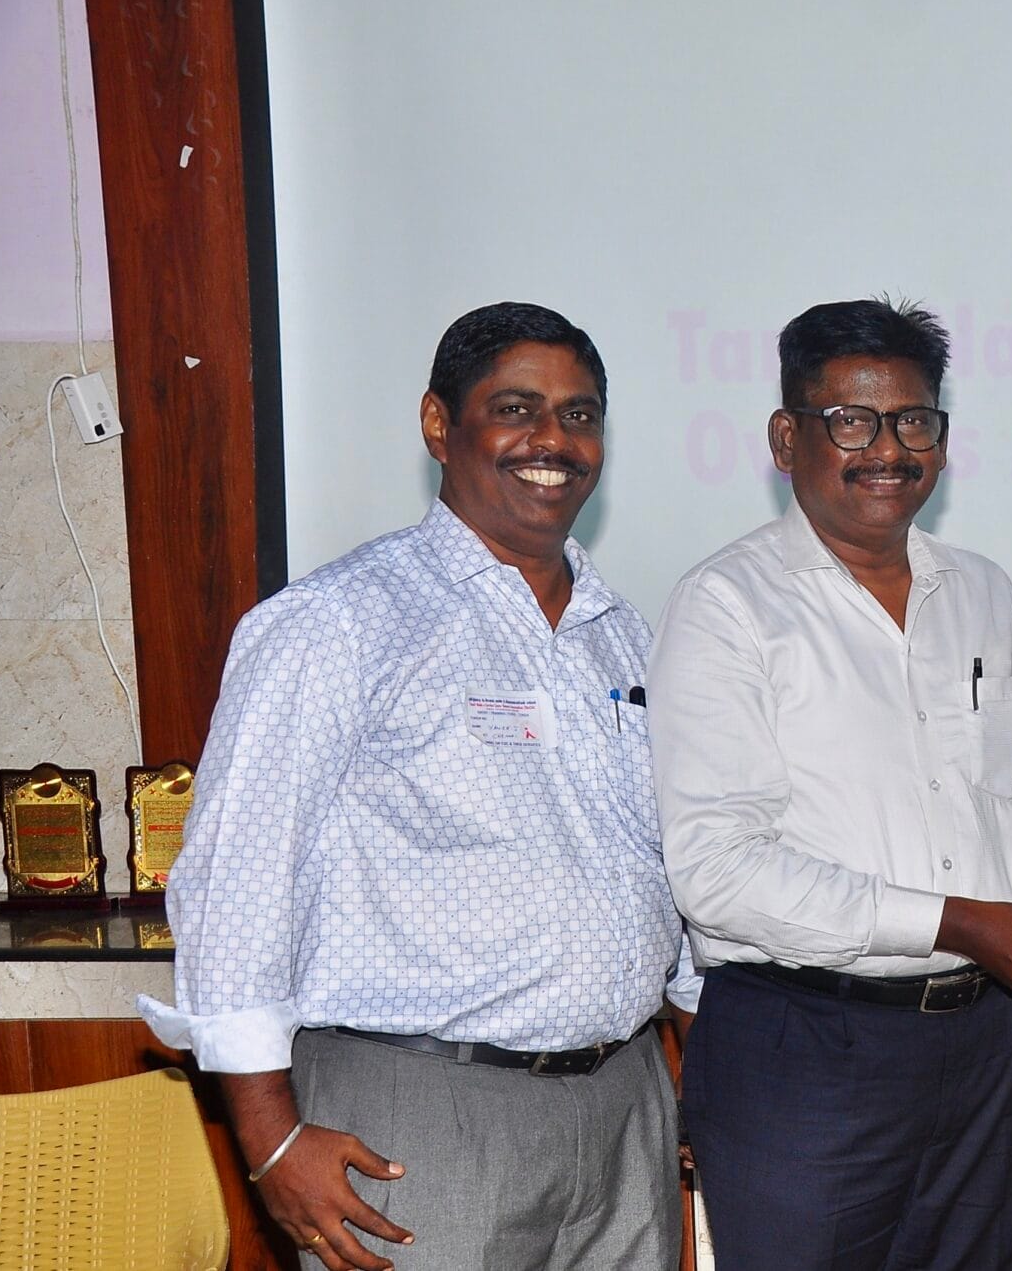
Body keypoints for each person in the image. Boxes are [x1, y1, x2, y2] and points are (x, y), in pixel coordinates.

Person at [142, 302, 691, 1271]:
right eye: (516, 408)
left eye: (579, 415)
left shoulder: (622, 636)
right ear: (439, 424)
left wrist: (703, 1070)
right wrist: (270, 1139)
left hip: (623, 1107)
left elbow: (662, 865)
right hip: (418, 1113)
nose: (552, 441)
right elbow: (237, 882)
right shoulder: (337, 623)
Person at [650, 298, 1012, 1269]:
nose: (888, 449)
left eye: (913, 421)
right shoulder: (727, 606)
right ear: (787, 439)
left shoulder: (987, 594)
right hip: (804, 1047)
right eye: (852, 422)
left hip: (985, 1046)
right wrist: (955, 921)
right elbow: (718, 873)